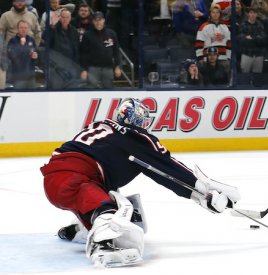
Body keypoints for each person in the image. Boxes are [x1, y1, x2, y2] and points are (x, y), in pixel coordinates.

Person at [40, 98, 241, 267]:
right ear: (136, 119)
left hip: (55, 177)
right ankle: (103, 245)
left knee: (118, 202)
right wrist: (203, 191)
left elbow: (157, 172)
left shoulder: (102, 126)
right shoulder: (135, 137)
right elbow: (167, 168)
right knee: (110, 210)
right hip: (75, 177)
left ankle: (78, 230)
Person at [79, 11, 121, 88]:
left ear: (104, 20)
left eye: (100, 20)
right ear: (93, 22)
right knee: (91, 91)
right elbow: (83, 54)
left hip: (108, 68)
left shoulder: (112, 34)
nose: (98, 22)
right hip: (92, 69)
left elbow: (116, 52)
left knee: (108, 92)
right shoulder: (87, 35)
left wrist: (117, 66)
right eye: (96, 20)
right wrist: (84, 69)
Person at [7, 20, 38, 89]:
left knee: (32, 97)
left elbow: (35, 53)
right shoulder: (13, 41)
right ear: (17, 29)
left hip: (30, 76)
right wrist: (21, 46)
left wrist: (35, 56)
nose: (23, 30)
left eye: (25, 28)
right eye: (21, 28)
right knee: (18, 98)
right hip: (19, 76)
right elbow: (11, 56)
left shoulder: (31, 40)